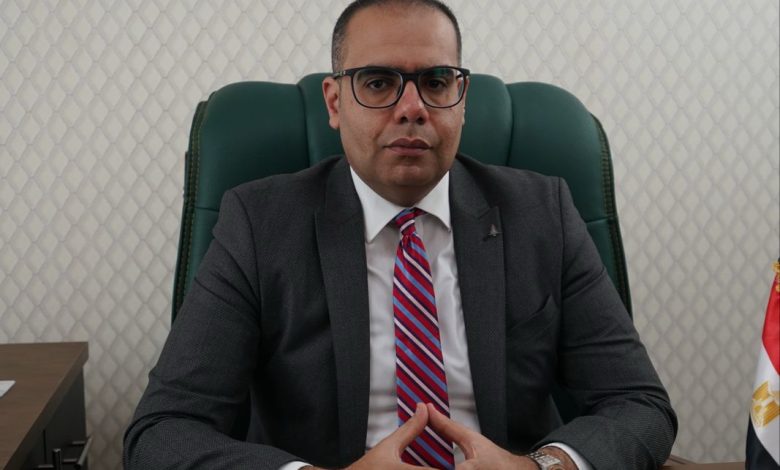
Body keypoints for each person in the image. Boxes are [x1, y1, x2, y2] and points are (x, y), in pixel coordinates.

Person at [124, 1, 677, 469]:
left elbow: (638, 403)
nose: (412, 109)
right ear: (335, 103)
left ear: (462, 99)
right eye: (378, 82)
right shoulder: (259, 224)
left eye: (436, 82)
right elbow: (163, 431)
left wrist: (541, 467)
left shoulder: (542, 213)